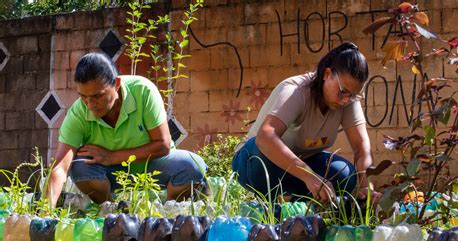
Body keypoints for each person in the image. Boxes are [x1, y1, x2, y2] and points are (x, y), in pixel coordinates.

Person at [47, 52, 207, 207]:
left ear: (116, 84)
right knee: (79, 166)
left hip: (153, 165)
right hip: (109, 172)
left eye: (97, 96)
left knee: (192, 165)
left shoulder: (143, 91)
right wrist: (45, 211)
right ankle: (111, 211)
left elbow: (163, 145)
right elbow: (60, 167)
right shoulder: (78, 112)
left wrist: (111, 157)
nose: (90, 105)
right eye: (83, 97)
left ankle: (166, 216)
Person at [232, 42, 381, 204]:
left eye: (353, 95)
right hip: (253, 161)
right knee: (260, 154)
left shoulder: (347, 99)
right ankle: (279, 203)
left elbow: (361, 147)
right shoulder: (296, 91)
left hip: (298, 167)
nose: (346, 100)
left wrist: (367, 188)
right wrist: (309, 176)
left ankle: (299, 204)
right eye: (342, 91)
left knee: (345, 174)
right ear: (327, 74)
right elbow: (265, 137)